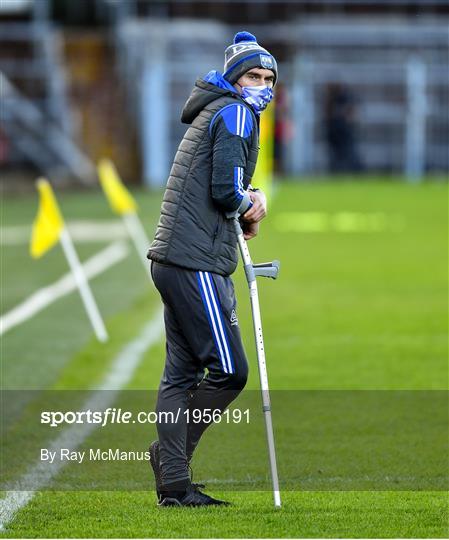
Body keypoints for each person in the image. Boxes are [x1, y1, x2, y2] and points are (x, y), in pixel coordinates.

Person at [146, 31, 278, 507]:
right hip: (195, 261)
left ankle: (175, 485)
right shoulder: (237, 111)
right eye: (252, 75)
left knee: (180, 375)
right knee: (230, 370)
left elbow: (223, 180)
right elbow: (226, 190)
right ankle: (169, 457)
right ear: (233, 77)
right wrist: (254, 203)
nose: (260, 85)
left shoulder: (216, 108)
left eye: (268, 78)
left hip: (177, 257)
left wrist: (246, 200)